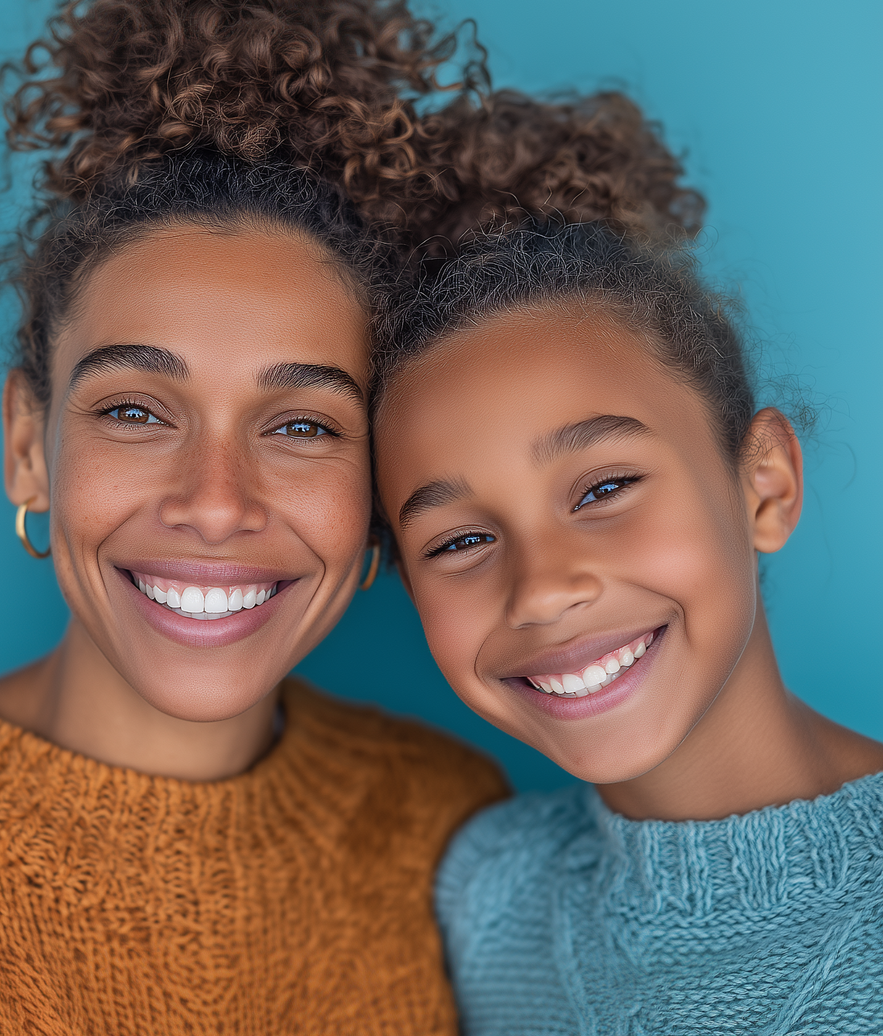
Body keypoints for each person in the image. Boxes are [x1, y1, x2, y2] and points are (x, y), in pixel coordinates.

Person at [0, 0, 701, 1032]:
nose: (215, 502)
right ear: (26, 446)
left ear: (382, 486)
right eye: (135, 411)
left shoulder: (443, 826)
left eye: (302, 425)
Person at [373, 220, 883, 1034]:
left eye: (605, 488)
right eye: (460, 541)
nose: (540, 590)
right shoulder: (482, 896)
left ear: (763, 485)